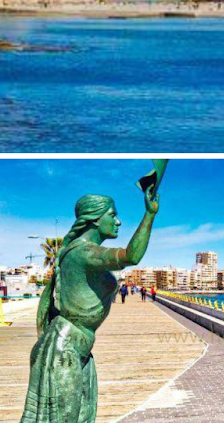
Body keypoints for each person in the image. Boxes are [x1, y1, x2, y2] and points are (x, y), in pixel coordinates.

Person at [21, 162, 166, 423]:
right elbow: (131, 255)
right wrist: (149, 214)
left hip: (78, 347)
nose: (118, 221)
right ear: (95, 219)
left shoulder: (79, 252)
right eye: (113, 215)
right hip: (65, 349)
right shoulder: (82, 252)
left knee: (83, 417)